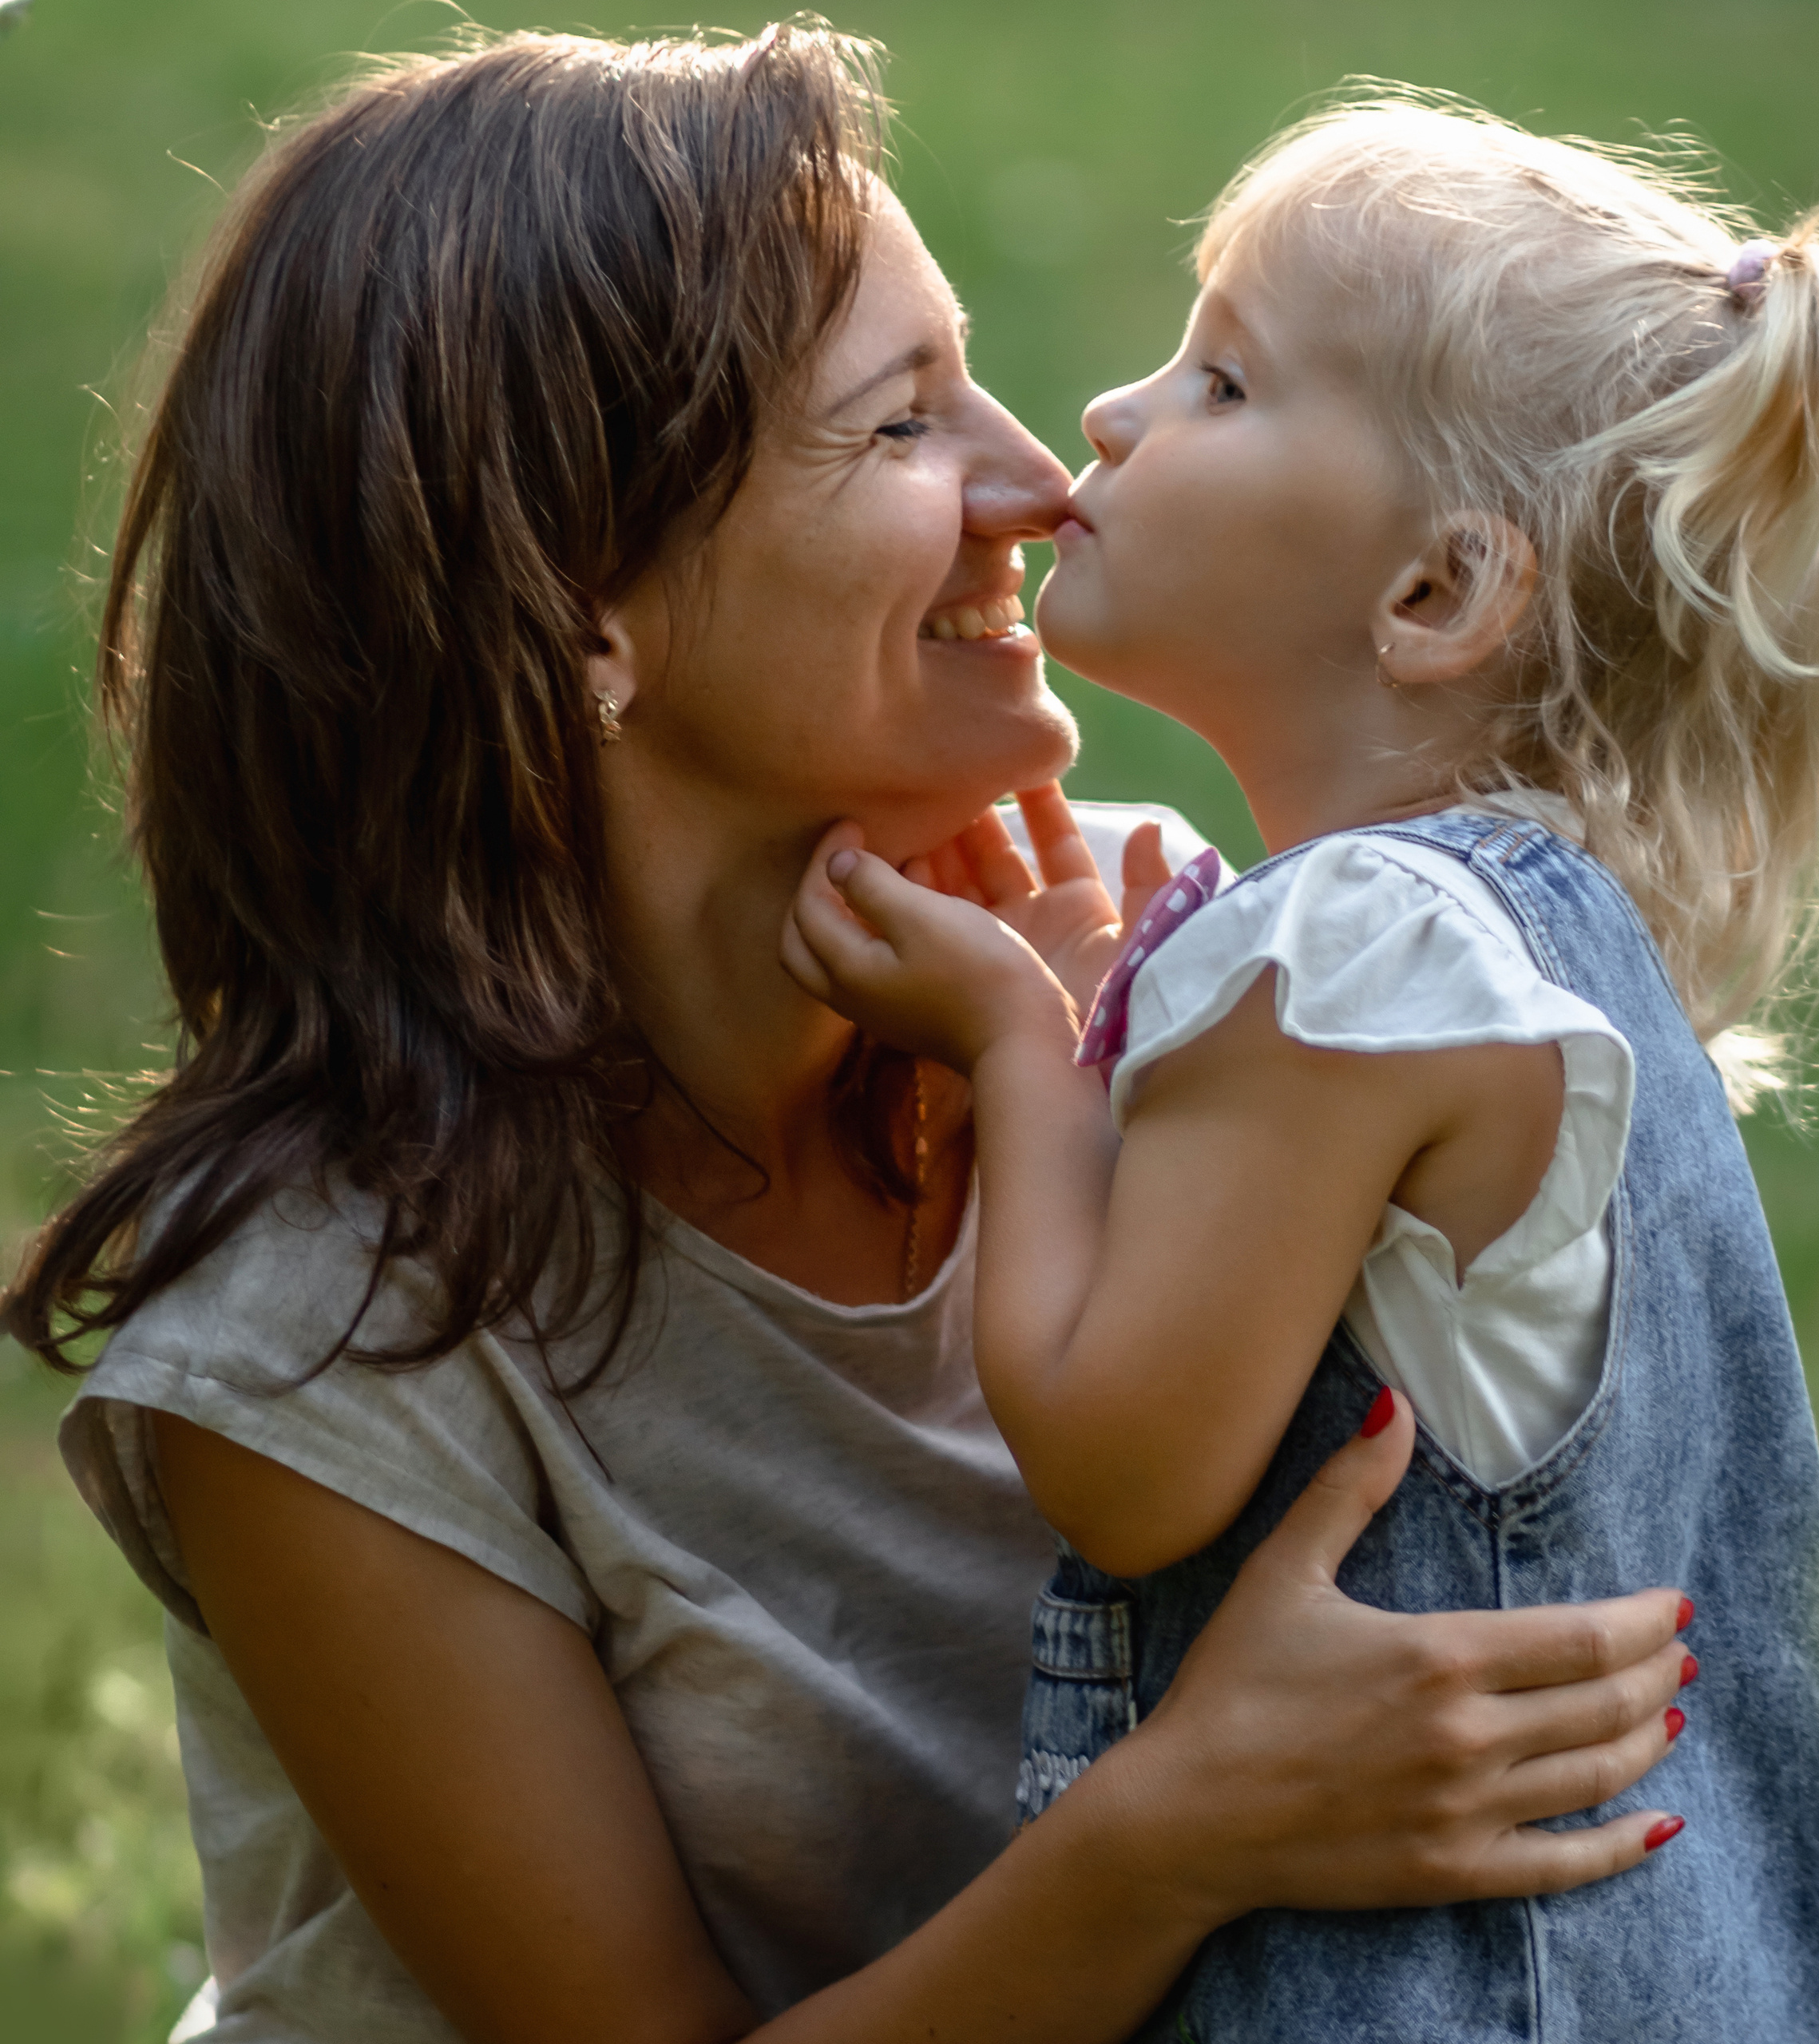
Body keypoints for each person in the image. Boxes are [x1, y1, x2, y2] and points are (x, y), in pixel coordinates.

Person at [5, 32, 1699, 2044]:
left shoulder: (1191, 970)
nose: (1039, 478)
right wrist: (1179, 1830)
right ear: (578, 613)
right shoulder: (319, 1348)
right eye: (901, 428)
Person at [787, 93, 1819, 2042]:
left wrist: (1015, 1049)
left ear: (1434, 596)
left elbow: (1126, 1463)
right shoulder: (1540, 937)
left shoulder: (1344, 948)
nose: (1116, 415)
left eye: (1222, 380)